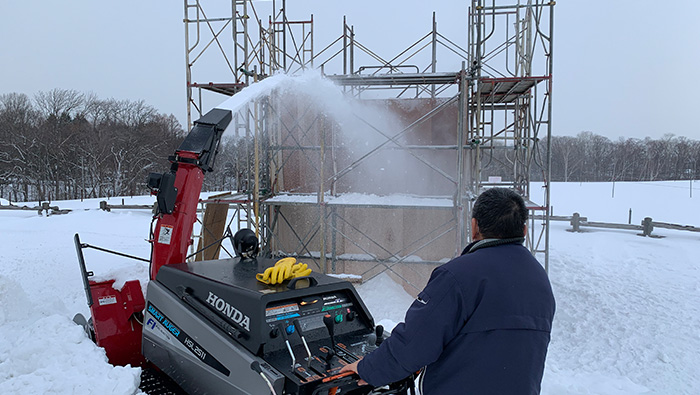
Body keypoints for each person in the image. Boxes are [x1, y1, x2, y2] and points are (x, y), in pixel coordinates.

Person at [340, 188, 556, 394]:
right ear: (524, 230)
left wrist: (369, 369)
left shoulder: (459, 275)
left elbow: (416, 342)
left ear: (474, 226)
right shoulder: (539, 278)